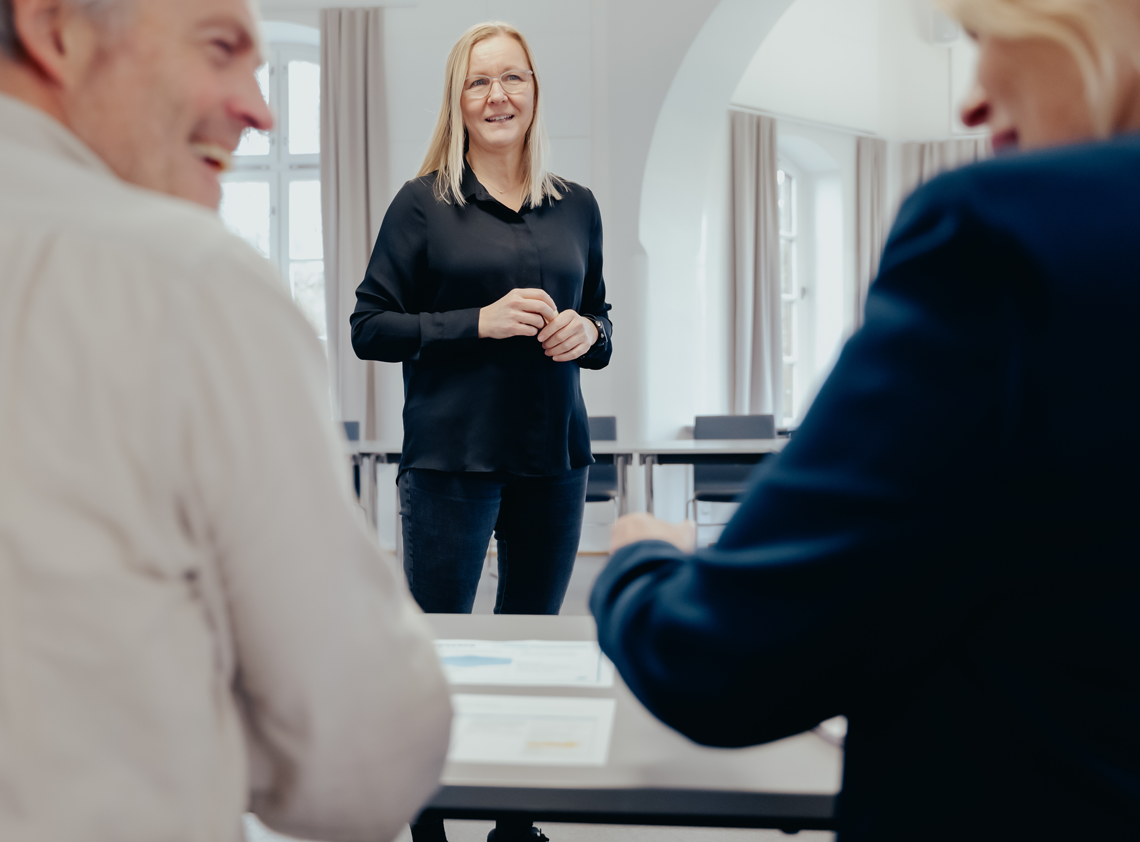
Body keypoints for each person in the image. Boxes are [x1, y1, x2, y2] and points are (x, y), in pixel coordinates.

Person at [0, 2, 451, 841]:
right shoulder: (187, 283)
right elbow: (360, 767)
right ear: (56, 28)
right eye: (219, 48)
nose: (259, 108)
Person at [590, 1, 1140, 839]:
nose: (971, 100)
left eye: (984, 41)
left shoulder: (1006, 237)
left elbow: (717, 659)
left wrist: (638, 565)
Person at [351, 22, 612, 620]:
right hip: (450, 463)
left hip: (556, 461)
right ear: (458, 102)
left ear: (535, 91)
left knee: (534, 642)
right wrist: (478, 322)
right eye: (479, 82)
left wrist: (589, 332)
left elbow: (601, 322)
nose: (498, 95)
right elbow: (369, 327)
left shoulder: (578, 205)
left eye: (512, 77)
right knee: (444, 647)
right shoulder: (421, 203)